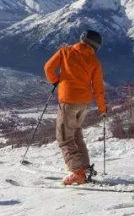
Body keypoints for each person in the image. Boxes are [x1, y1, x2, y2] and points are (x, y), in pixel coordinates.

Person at [43, 30, 108, 185]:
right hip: (85, 103)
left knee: (65, 138)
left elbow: (48, 68)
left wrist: (56, 81)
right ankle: (85, 168)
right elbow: (98, 88)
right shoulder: (94, 61)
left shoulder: (65, 51)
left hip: (68, 101)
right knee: (76, 135)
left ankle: (77, 172)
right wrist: (102, 108)